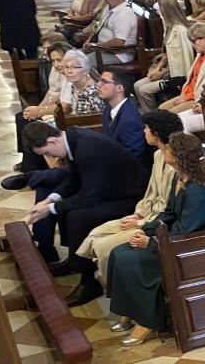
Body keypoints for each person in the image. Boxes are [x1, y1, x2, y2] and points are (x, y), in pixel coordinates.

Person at [105, 133, 205, 345]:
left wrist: (153, 243)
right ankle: (131, 310)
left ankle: (147, 321)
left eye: (168, 149)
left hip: (184, 248)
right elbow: (169, 214)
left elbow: (188, 230)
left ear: (179, 156)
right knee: (118, 253)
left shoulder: (197, 189)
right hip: (169, 239)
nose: (164, 150)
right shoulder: (179, 177)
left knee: (131, 261)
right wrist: (147, 230)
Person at [75, 109, 181, 298]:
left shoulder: (175, 164)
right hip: (145, 215)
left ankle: (121, 296)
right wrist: (139, 213)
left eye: (146, 128)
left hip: (155, 223)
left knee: (103, 247)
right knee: (95, 234)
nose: (144, 131)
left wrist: (141, 222)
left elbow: (168, 207)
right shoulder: (158, 155)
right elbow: (151, 192)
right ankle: (99, 284)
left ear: (156, 133)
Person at [18, 122, 145, 265]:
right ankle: (73, 259)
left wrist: (51, 209)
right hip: (108, 189)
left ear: (52, 141)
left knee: (77, 216)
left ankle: (83, 270)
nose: (50, 157)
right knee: (64, 207)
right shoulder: (73, 138)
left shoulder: (87, 150)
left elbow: (90, 195)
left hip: (128, 197)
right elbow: (74, 179)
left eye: (46, 153)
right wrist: (48, 201)